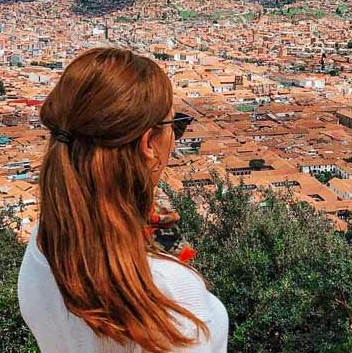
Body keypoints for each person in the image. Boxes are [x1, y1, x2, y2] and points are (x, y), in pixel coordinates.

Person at [18, 47, 228, 353]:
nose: (175, 139)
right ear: (148, 143)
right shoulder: (166, 289)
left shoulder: (43, 244)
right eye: (175, 127)